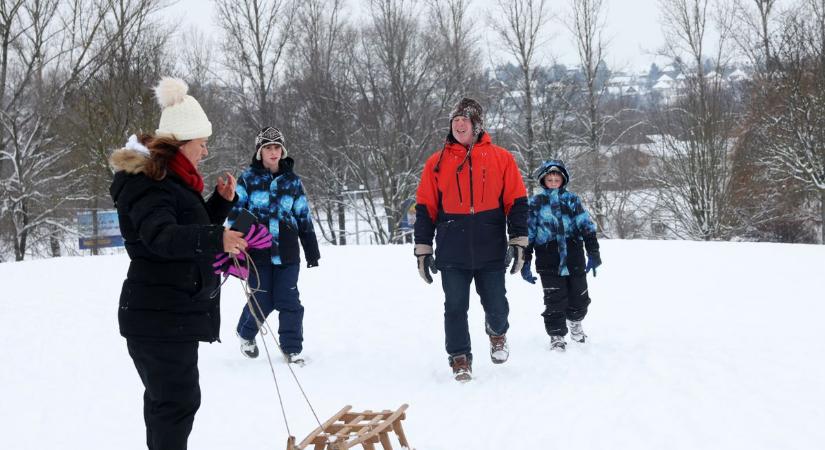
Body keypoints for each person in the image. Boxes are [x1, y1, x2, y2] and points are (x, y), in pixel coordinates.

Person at [109, 77, 246, 449]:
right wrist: (216, 237)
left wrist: (219, 205)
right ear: (183, 144)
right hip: (158, 315)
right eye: (202, 145)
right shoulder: (149, 183)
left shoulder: (169, 180)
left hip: (167, 312)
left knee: (169, 402)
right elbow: (162, 236)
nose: (205, 153)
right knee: (176, 402)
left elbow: (184, 230)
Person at [414, 97, 529, 382]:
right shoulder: (436, 163)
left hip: (490, 248)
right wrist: (423, 248)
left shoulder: (501, 158)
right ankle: (460, 357)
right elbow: (426, 207)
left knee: (497, 305)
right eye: (455, 120)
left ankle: (497, 332)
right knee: (454, 307)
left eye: (465, 120)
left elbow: (516, 201)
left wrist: (518, 240)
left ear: (477, 126)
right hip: (453, 250)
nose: (459, 124)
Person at [229, 127, 320, 364]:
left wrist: (311, 250)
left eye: (277, 147)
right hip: (257, 252)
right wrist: (234, 242)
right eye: (268, 148)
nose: (273, 152)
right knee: (262, 299)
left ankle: (292, 348)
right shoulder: (248, 179)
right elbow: (236, 212)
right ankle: (245, 333)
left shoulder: (292, 181)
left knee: (288, 300)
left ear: (282, 150)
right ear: (260, 152)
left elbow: (302, 215)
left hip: (288, 253)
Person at [520, 160, 602, 351]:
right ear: (543, 180)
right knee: (554, 299)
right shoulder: (536, 203)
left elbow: (586, 227)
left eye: (557, 179)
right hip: (548, 258)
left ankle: (575, 322)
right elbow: (529, 234)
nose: (554, 181)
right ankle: (556, 335)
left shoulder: (572, 200)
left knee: (579, 295)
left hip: (573, 255)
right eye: (550, 179)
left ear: (563, 180)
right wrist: (525, 261)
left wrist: (593, 252)